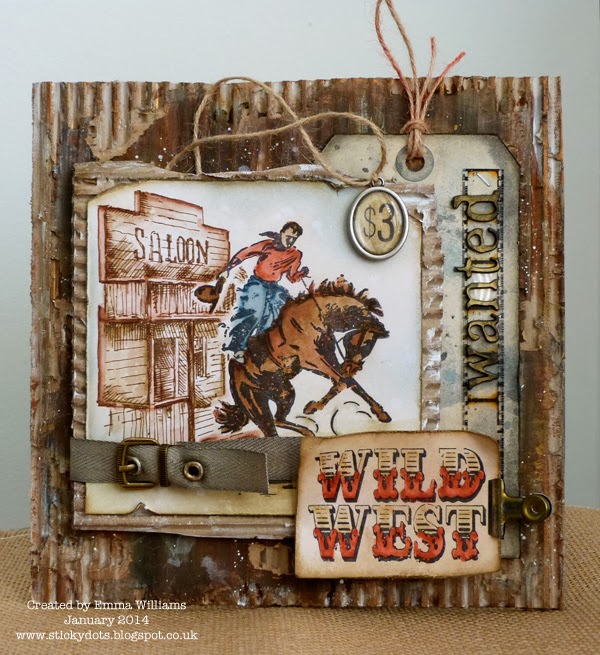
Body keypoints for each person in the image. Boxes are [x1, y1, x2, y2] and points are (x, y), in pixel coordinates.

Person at [220, 221, 309, 361]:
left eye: (294, 239)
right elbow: (245, 253)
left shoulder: (295, 254)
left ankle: (260, 348)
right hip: (257, 283)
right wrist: (228, 269)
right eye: (288, 237)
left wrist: (301, 273)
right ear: (282, 233)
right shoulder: (268, 245)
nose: (290, 241)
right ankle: (237, 346)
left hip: (273, 286)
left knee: (272, 317)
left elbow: (291, 277)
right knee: (255, 312)